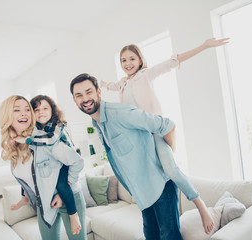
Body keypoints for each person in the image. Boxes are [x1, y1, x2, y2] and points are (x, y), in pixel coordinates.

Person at [99, 38, 229, 234]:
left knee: (171, 170)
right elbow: (108, 86)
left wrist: (204, 46)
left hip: (155, 133)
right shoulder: (123, 83)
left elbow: (173, 61)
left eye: (132, 59)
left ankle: (201, 206)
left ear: (140, 60)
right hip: (139, 140)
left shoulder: (146, 74)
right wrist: (99, 84)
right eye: (123, 60)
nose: (128, 64)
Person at [70, 73, 182, 239]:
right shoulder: (97, 123)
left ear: (99, 92)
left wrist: (168, 160)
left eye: (89, 92)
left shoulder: (121, 112)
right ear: (74, 100)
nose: (85, 98)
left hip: (161, 186)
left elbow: (167, 126)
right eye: (79, 95)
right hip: (142, 194)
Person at [0, 95, 87, 240]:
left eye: (27, 109)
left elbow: (77, 162)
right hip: (44, 203)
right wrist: (25, 197)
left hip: (68, 197)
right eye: (17, 110)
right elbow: (30, 176)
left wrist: (64, 193)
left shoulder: (45, 138)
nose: (24, 113)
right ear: (7, 115)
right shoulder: (15, 144)